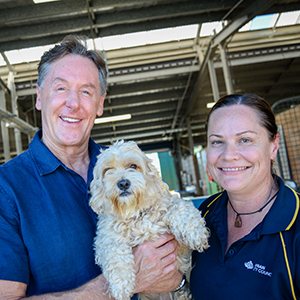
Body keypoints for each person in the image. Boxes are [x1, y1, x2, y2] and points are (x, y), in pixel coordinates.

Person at [0, 35, 183, 298]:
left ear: (100, 103)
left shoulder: (130, 169)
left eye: (86, 91)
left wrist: (177, 282)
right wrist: (122, 283)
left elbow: (175, 261)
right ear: (39, 97)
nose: (73, 104)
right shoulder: (6, 189)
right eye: (61, 88)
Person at [190, 93, 300, 299]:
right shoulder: (202, 215)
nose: (229, 155)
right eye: (217, 142)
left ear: (273, 146)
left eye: (245, 140)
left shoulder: (295, 227)